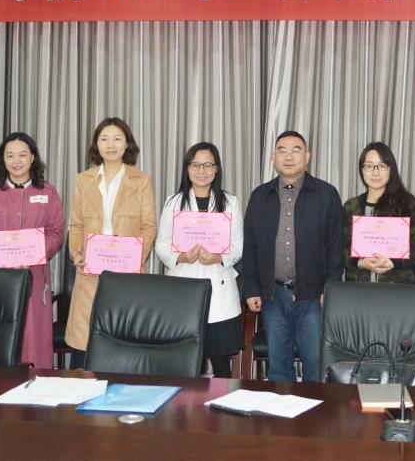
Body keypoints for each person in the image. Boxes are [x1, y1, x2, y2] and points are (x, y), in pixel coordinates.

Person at [243, 130, 343, 383]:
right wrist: (251, 288)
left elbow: (335, 246)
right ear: (273, 157)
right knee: (278, 370)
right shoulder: (260, 196)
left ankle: (316, 410)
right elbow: (250, 246)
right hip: (273, 296)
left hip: (313, 297)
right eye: (282, 150)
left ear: (307, 156)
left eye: (296, 150)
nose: (288, 156)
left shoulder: (326, 194)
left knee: (316, 368)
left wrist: (330, 289)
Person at [0, 132, 65, 368]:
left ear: (32, 158)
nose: (16, 161)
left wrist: (35, 254)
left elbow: (56, 232)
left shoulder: (47, 193)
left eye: (22, 155)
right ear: (2, 159)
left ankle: (35, 389)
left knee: (34, 344)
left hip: (35, 278)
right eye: (10, 155)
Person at [64, 118, 156, 366]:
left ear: (127, 144)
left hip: (127, 273)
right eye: (104, 139)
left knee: (122, 342)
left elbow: (149, 227)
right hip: (90, 272)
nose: (110, 145)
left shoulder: (141, 180)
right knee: (85, 344)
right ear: (97, 144)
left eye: (117, 138)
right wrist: (76, 253)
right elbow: (76, 225)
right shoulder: (83, 180)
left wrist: (135, 258)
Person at [155, 142, 244, 378]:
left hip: (219, 289)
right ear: (187, 169)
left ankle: (224, 401)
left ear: (216, 169)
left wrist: (218, 258)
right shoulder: (173, 202)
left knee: (221, 367)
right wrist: (181, 256)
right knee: (185, 365)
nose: (201, 171)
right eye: (195, 165)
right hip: (183, 289)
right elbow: (161, 245)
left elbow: (238, 246)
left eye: (207, 165)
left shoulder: (230, 202)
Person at [342, 142, 415, 284]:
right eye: (369, 166)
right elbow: (339, 245)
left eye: (382, 166)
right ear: (362, 170)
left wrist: (393, 262)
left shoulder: (406, 202)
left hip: (397, 287)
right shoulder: (351, 206)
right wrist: (360, 262)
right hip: (358, 289)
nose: (375, 172)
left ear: (390, 169)